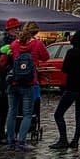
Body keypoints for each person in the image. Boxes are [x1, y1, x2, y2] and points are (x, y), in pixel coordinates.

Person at [4, 22, 48, 150]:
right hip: (29, 82)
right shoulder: (37, 44)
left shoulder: (15, 44)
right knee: (27, 114)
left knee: (12, 111)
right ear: (35, 32)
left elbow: (9, 57)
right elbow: (46, 57)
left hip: (13, 82)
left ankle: (10, 141)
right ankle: (21, 142)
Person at [50, 30, 80, 150]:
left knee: (59, 114)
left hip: (72, 86)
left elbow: (65, 69)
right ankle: (75, 140)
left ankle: (63, 139)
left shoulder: (71, 52)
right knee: (79, 115)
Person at [0, 18, 20, 146]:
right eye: (16, 28)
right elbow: (3, 63)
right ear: (9, 29)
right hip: (0, 82)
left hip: (1, 82)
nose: (18, 31)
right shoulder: (4, 41)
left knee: (3, 110)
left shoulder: (6, 40)